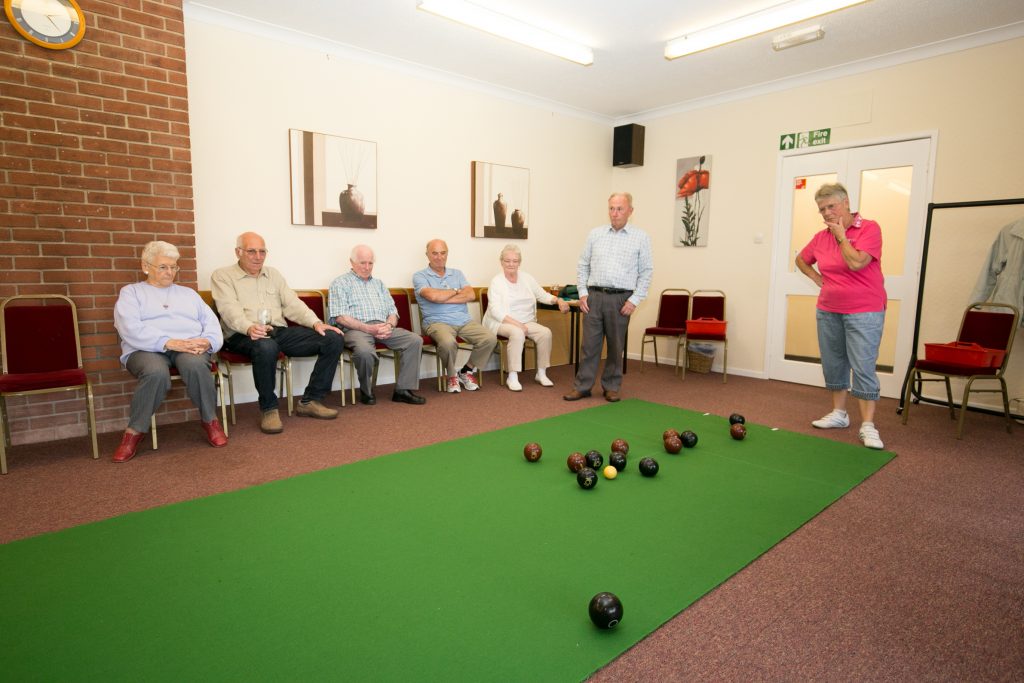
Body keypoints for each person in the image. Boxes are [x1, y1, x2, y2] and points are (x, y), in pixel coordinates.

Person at [211, 232, 344, 434]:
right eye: (251, 251)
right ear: (238, 252)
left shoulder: (273, 274)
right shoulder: (222, 276)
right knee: (266, 346)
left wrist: (316, 323)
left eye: (262, 251)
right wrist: (249, 327)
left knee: (332, 338)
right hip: (242, 334)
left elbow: (292, 304)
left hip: (276, 331)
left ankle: (311, 400)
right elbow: (228, 310)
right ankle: (269, 409)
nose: (258, 256)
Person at [112, 240, 227, 463]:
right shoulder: (132, 293)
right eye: (163, 266)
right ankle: (134, 433)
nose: (170, 272)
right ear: (146, 266)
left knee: (196, 365)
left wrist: (207, 341)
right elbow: (129, 328)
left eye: (174, 267)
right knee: (156, 372)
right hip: (144, 348)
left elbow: (211, 323)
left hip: (188, 345)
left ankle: (211, 421)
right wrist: (168, 342)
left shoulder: (189, 294)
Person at [795, 182, 886, 450]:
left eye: (831, 206)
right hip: (829, 309)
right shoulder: (821, 237)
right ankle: (839, 414)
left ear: (846, 203)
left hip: (864, 310)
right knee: (834, 362)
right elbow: (801, 259)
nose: (826, 213)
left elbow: (857, 262)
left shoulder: (869, 228)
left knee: (863, 365)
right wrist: (816, 278)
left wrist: (842, 237)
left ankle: (868, 425)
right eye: (821, 209)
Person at [564, 192, 653, 403]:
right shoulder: (595, 234)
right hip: (594, 297)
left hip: (621, 299)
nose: (615, 213)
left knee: (615, 346)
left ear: (630, 211)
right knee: (589, 346)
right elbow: (583, 265)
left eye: (620, 208)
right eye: (611, 208)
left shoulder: (641, 237)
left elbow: (646, 271)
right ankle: (583, 386)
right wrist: (583, 293)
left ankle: (611, 387)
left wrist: (635, 300)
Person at [328, 245, 426, 406]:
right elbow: (340, 317)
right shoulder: (340, 283)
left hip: (383, 327)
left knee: (415, 340)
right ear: (351, 262)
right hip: (355, 329)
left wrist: (389, 324)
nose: (367, 267)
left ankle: (403, 390)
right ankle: (366, 391)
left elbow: (393, 311)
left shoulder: (379, 284)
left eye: (370, 263)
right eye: (362, 263)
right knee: (365, 352)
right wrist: (368, 329)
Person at [413, 239, 497, 393]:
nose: (439, 257)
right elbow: (433, 297)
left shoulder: (457, 273)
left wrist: (442, 296)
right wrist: (457, 291)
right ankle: (452, 376)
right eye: (435, 253)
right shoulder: (419, 276)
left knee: (490, 338)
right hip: (437, 323)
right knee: (447, 342)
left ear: (447, 254)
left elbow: (471, 295)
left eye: (443, 253)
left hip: (464, 321)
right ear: (427, 255)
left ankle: (465, 371)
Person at [483, 244, 569, 391]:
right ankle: (513, 375)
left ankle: (541, 373)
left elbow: (542, 295)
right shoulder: (497, 281)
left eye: (515, 261)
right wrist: (517, 324)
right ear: (501, 262)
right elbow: (495, 311)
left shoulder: (527, 278)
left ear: (519, 262)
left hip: (527, 321)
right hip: (502, 321)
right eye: (507, 260)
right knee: (517, 333)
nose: (511, 264)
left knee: (545, 332)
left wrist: (559, 300)